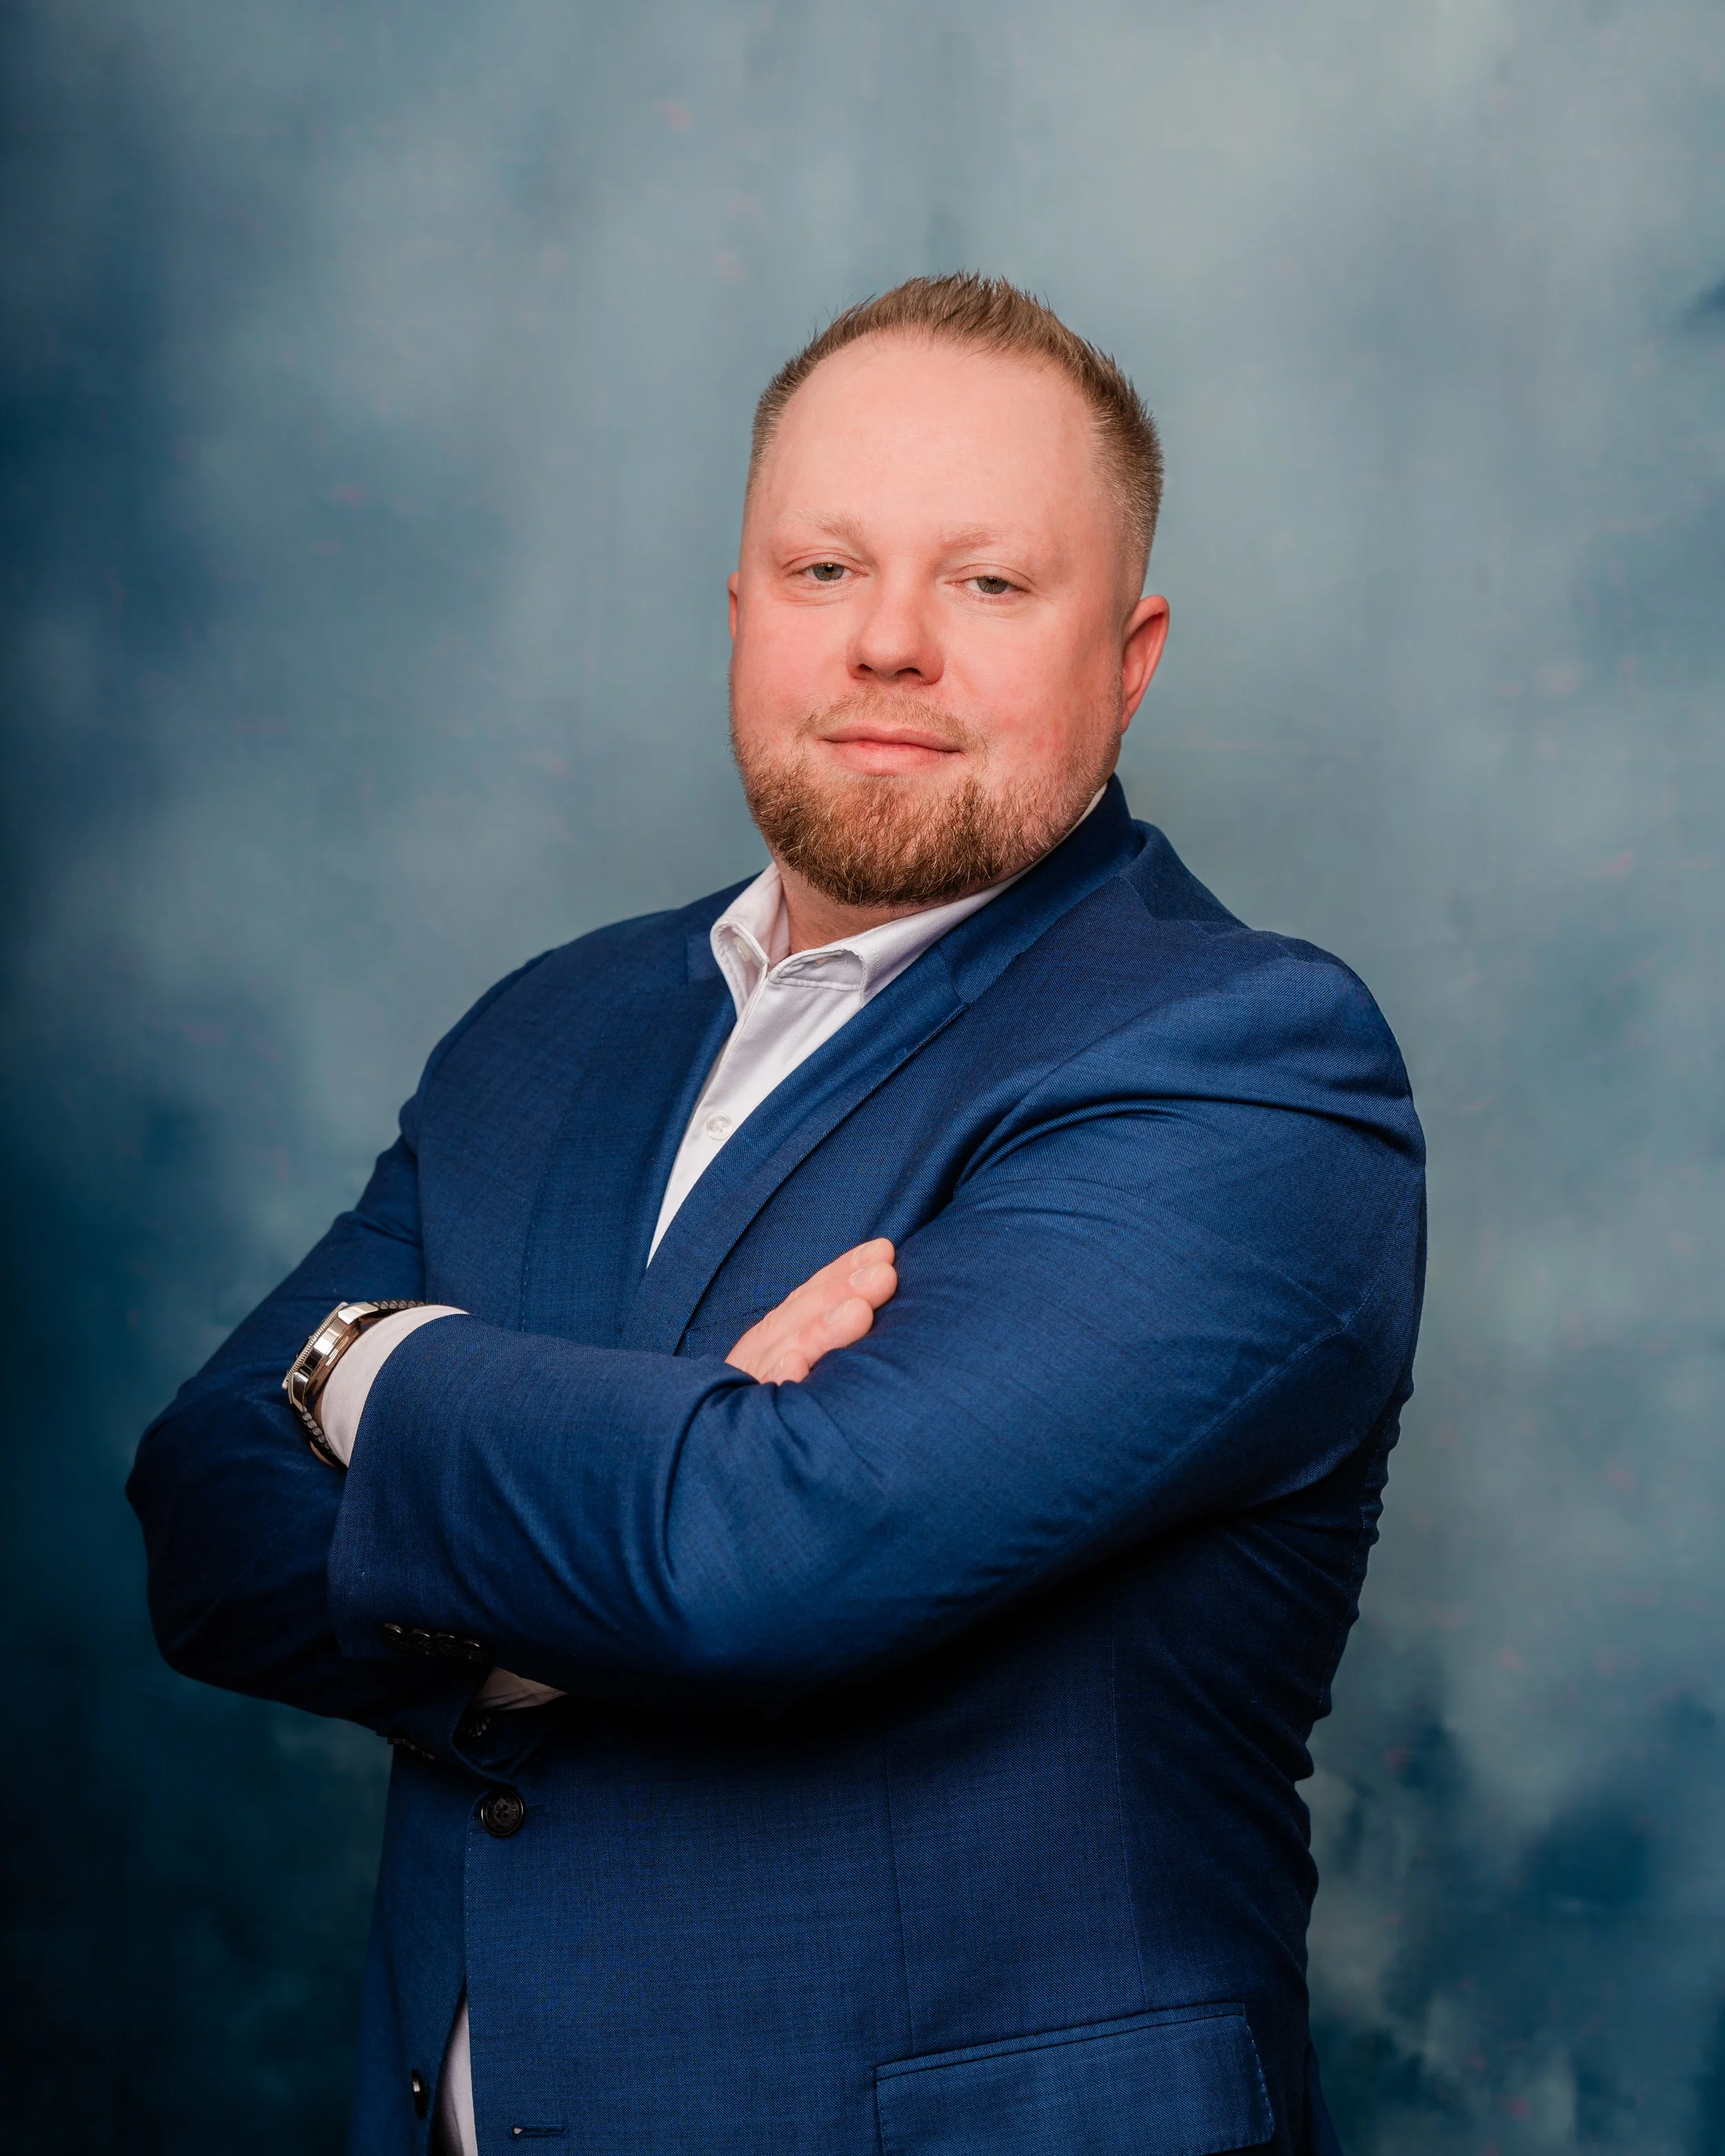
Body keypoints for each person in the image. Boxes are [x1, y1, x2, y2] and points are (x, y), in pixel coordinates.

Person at [128, 273, 1424, 2156]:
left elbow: (763, 1561)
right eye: (824, 570)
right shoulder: (543, 1032)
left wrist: (364, 1364)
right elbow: (204, 1522)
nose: (888, 641)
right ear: (740, 614)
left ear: (1126, 655)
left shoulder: (1241, 1064)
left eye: (987, 583)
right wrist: (644, 1513)